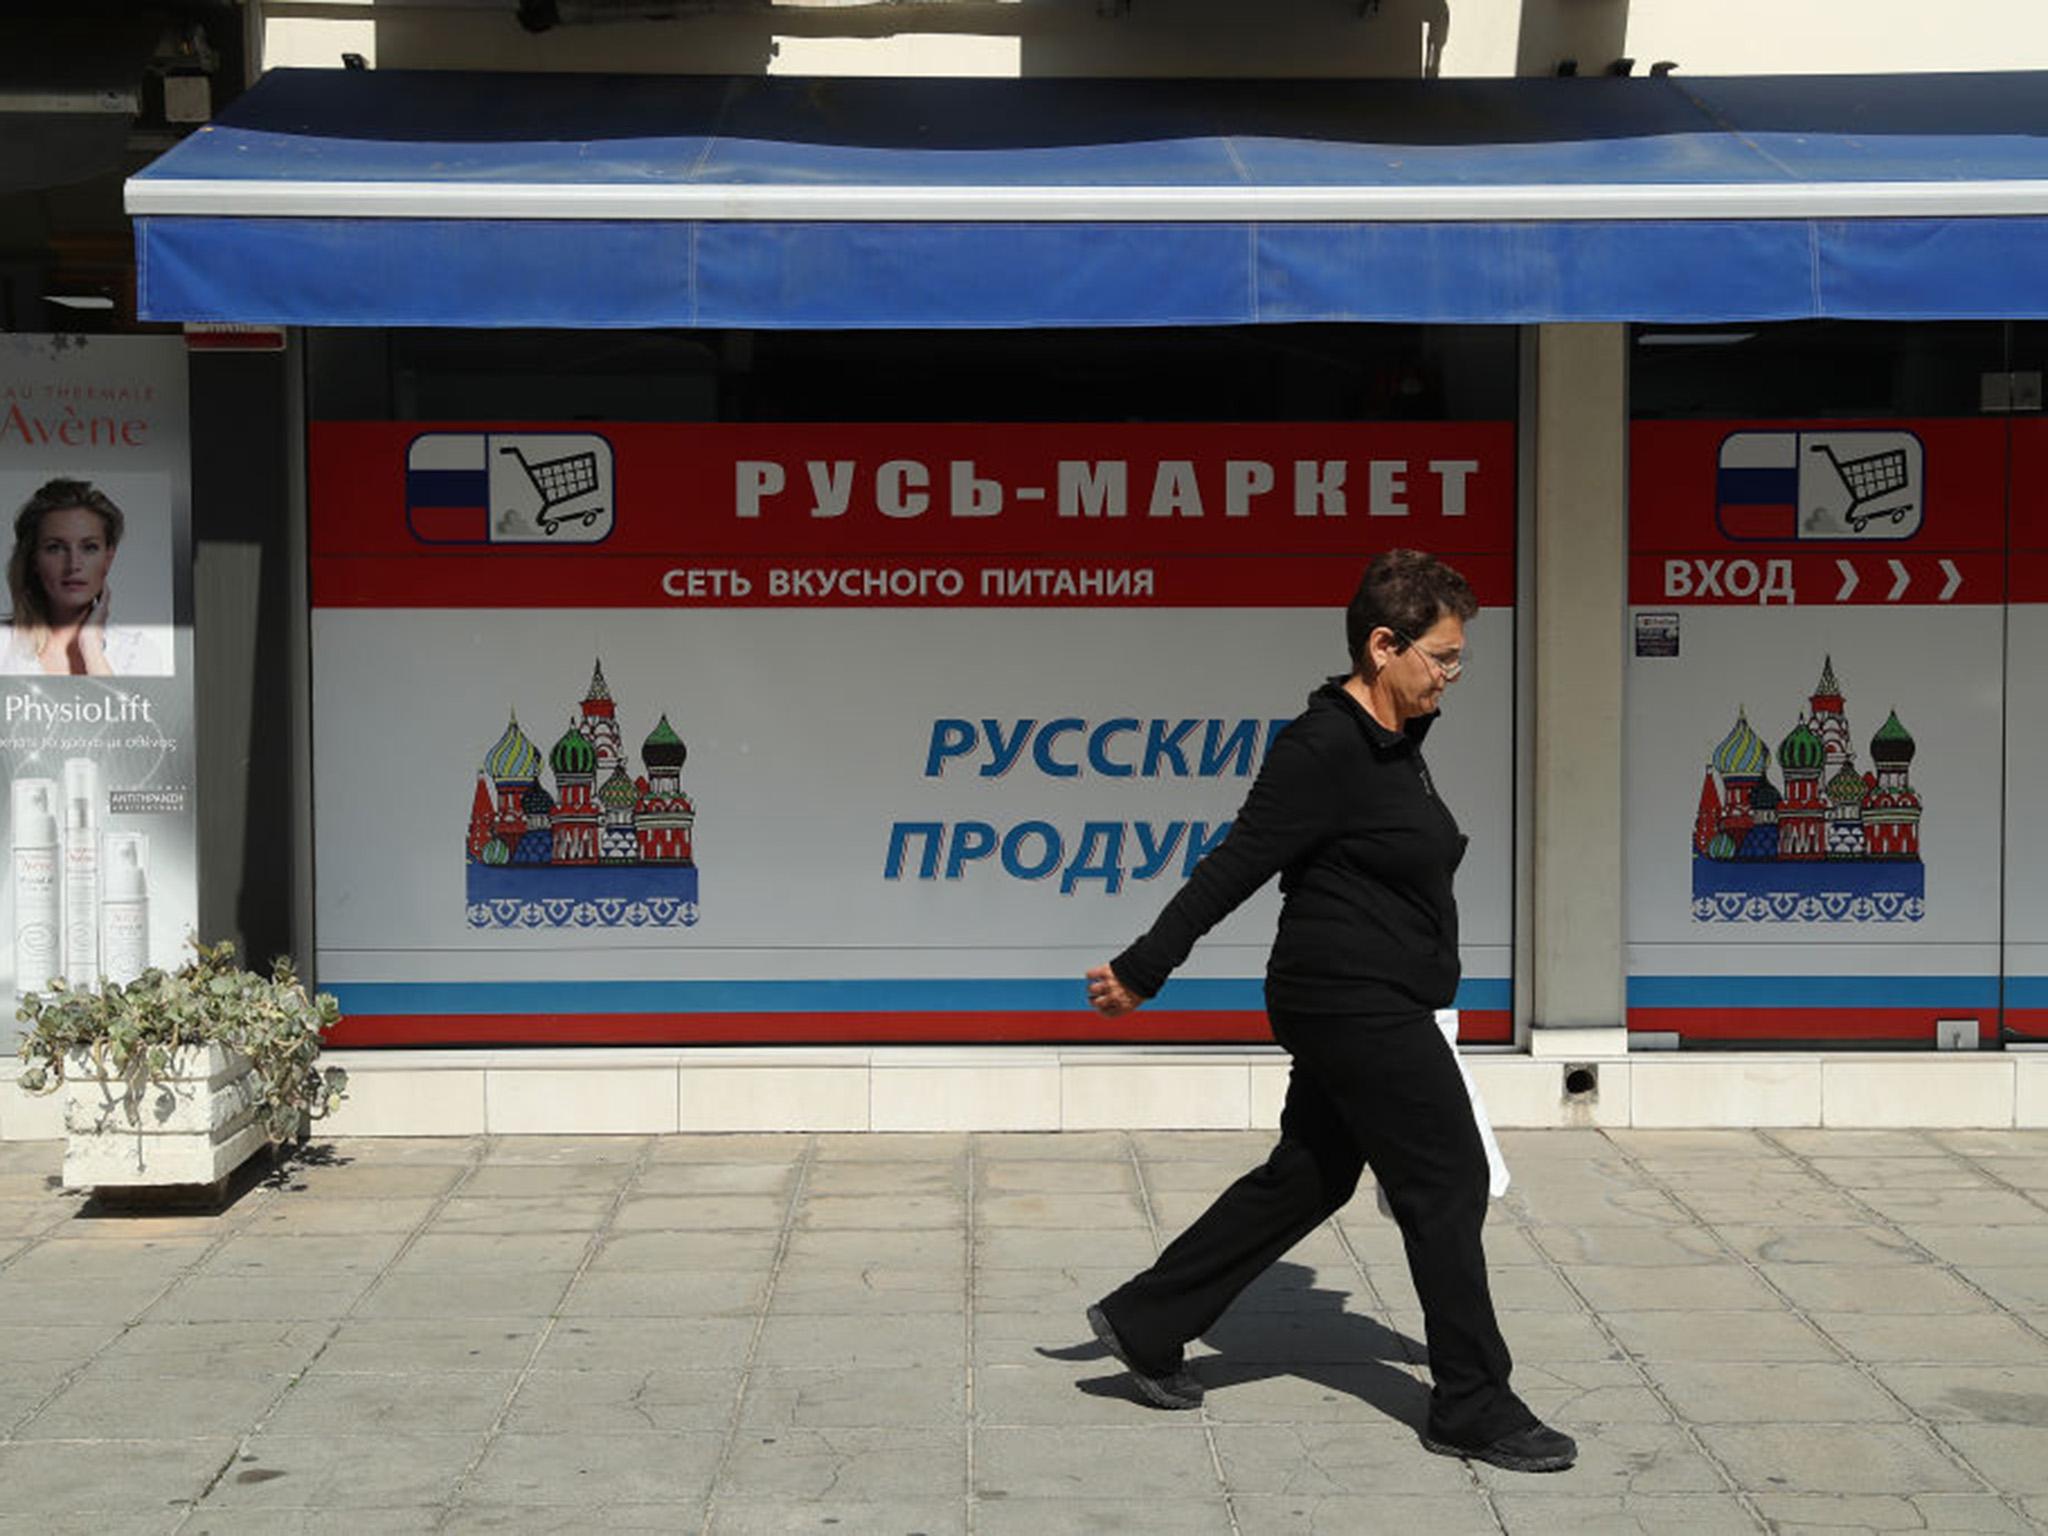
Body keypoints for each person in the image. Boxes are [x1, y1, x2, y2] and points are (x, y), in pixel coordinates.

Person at [1082, 547, 1575, 1474]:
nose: (1452, 676)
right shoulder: (1323, 745)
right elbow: (1238, 860)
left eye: (1458, 658)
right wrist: (1147, 967)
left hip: (1373, 995)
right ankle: (1473, 1404)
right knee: (1447, 1181)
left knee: (1311, 1174)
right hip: (1351, 1002)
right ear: (1383, 647)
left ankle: (1147, 1322)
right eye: (1441, 656)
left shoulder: (1394, 744)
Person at [3, 478, 164, 677]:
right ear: (34, 559)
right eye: (55, 548)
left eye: (89, 547)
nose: (73, 565)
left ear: (108, 558)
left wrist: (91, 647)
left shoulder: (137, 652)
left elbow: (124, 708)